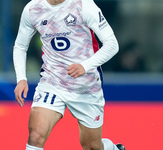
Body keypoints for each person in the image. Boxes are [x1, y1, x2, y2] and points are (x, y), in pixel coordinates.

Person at [13, 0, 125, 150]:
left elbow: (112, 44)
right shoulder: (33, 8)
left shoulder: (84, 5)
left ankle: (112, 148)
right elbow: (20, 46)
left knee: (92, 146)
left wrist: (84, 66)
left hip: (86, 86)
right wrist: (21, 78)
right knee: (35, 136)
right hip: (52, 82)